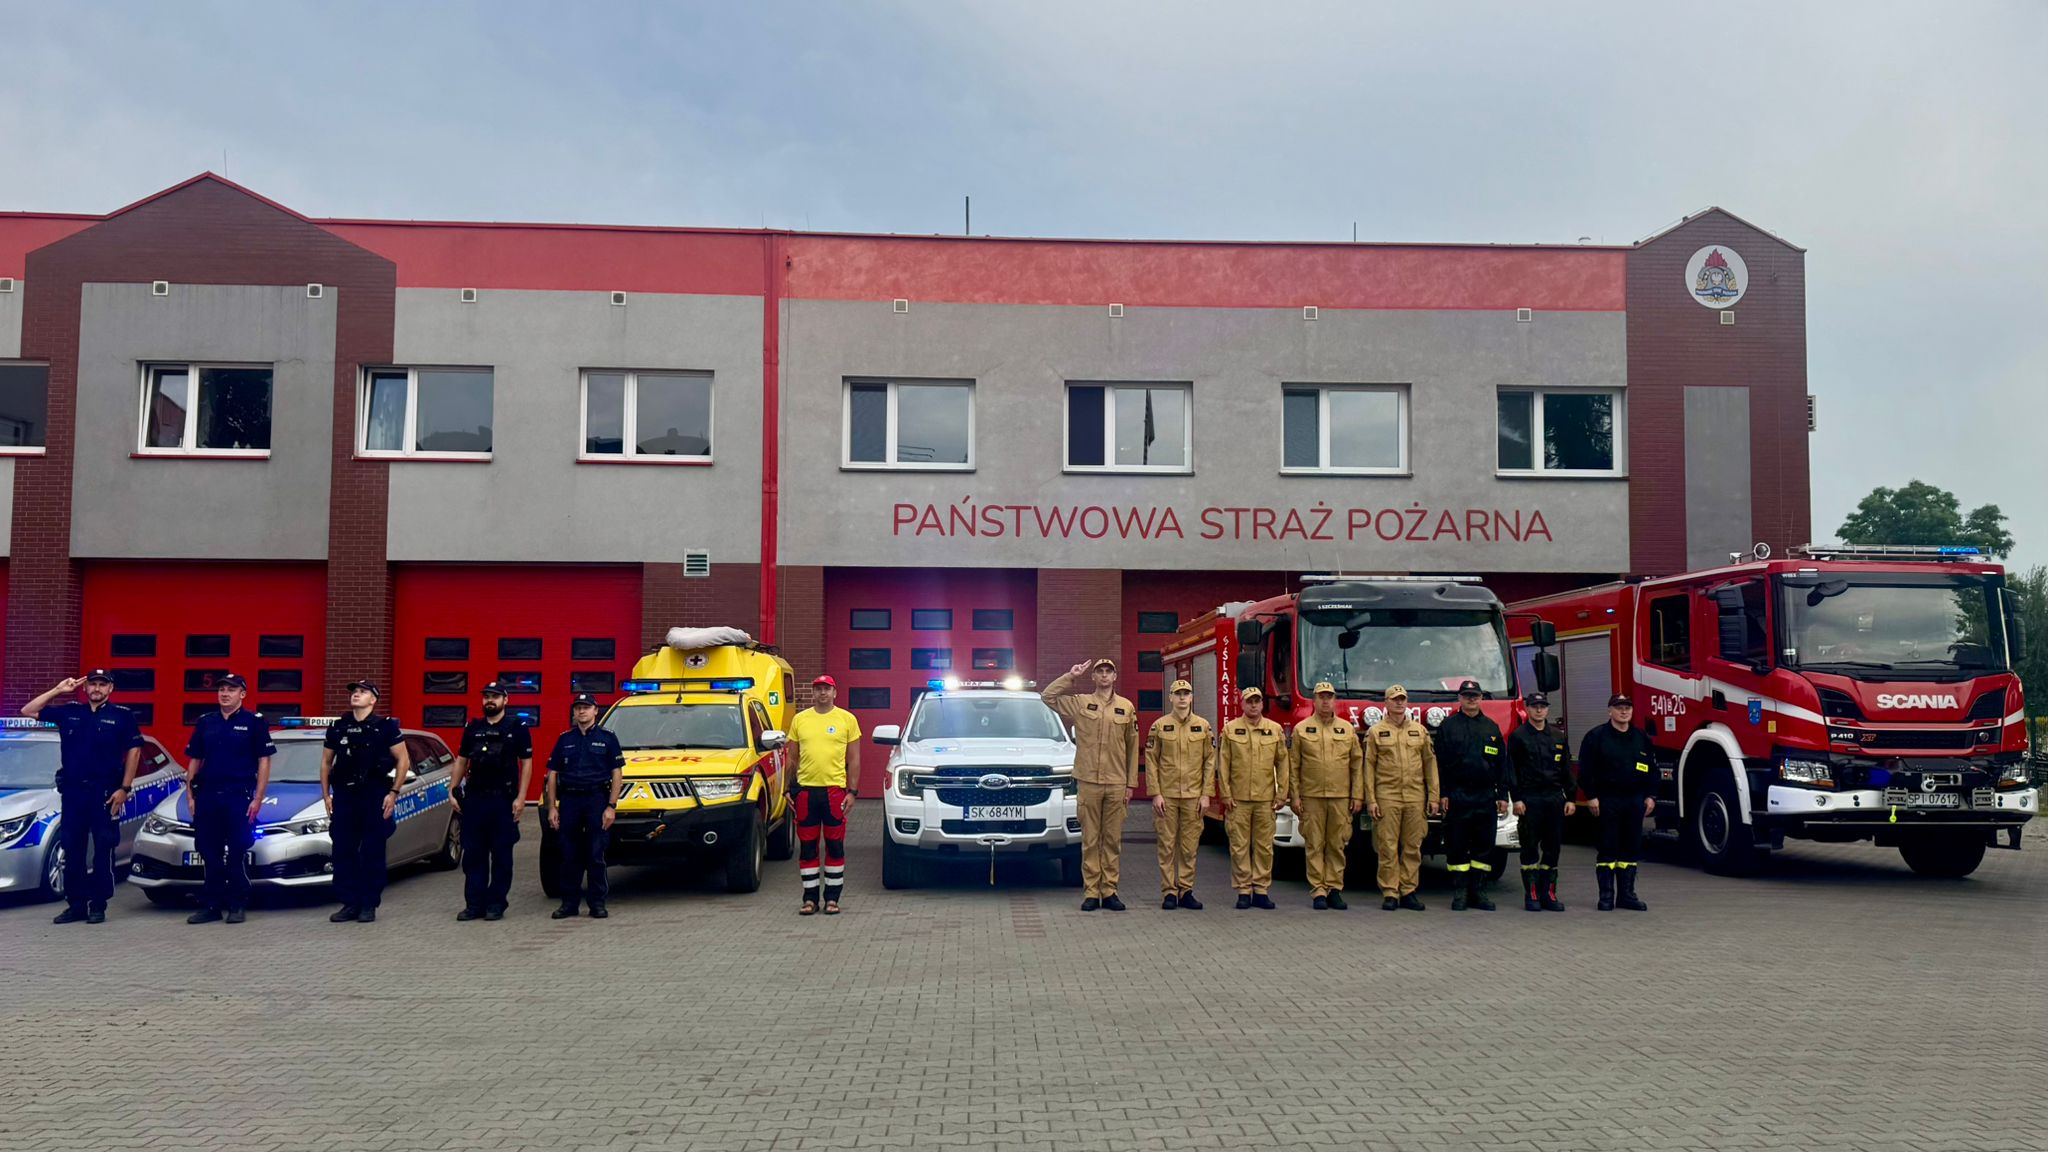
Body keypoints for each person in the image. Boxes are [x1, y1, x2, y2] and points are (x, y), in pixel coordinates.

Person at [22, 670, 144, 924]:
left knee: (103, 849)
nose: (97, 688)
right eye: (92, 684)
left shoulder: (121, 716)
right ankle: (76, 905)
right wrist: (58, 690)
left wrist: (124, 788)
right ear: (85, 688)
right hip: (74, 793)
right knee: (72, 849)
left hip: (105, 794)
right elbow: (28, 710)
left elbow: (134, 751)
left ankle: (98, 904)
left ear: (110, 689)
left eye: (102, 684)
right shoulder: (70, 712)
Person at [1041, 657, 1140, 912]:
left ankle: (1110, 891)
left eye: (1109, 671)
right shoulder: (1081, 703)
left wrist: (1131, 784)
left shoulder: (1126, 707)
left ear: (1115, 676)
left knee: (1112, 840)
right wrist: (1071, 676)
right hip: (1088, 782)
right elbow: (1048, 697)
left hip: (1116, 783)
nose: (1104, 675)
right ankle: (1092, 892)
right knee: (1090, 839)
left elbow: (1132, 748)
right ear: (1093, 677)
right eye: (1100, 672)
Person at [182, 674, 273, 925]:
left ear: (242, 694)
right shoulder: (206, 722)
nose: (225, 693)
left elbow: (264, 761)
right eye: (221, 689)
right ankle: (211, 905)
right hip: (208, 795)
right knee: (208, 851)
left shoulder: (254, 722)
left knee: (236, 852)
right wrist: (190, 795)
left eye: (231, 690)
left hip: (238, 796)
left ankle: (237, 903)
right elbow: (195, 760)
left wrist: (258, 797)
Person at [319, 681, 409, 925]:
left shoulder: (386, 727)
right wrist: (326, 795)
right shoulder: (338, 727)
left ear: (373, 700)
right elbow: (326, 762)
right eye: (354, 692)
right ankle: (349, 903)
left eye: (362, 692)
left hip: (373, 795)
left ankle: (369, 904)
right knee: (343, 851)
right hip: (345, 796)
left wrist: (393, 792)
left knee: (372, 852)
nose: (356, 695)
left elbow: (403, 760)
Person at [449, 682, 533, 921]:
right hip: (475, 800)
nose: (490, 700)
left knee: (501, 855)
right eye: (486, 696)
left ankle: (496, 904)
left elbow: (526, 764)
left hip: (503, 801)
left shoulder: (517, 728)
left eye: (495, 697)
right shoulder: (473, 728)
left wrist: (521, 797)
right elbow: (462, 760)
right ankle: (474, 905)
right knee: (473, 855)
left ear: (505, 700)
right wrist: (453, 790)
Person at [544, 694, 625, 919]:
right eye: (578, 708)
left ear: (595, 711)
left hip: (596, 800)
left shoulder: (608, 738)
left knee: (595, 854)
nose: (581, 711)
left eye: (586, 707)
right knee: (569, 854)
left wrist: (611, 806)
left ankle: (597, 903)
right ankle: (569, 904)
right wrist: (552, 807)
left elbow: (617, 774)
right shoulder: (564, 739)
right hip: (570, 800)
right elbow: (552, 774)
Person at [787, 674, 862, 916]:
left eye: (827, 689)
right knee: (808, 847)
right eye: (818, 689)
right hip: (806, 793)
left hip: (834, 792)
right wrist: (788, 789)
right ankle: (810, 900)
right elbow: (792, 758)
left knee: (835, 846)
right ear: (813, 692)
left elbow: (854, 759)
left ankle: (832, 899)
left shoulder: (847, 719)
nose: (822, 693)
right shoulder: (800, 720)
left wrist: (852, 792)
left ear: (834, 692)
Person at [1432, 679, 1509, 911]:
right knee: (1457, 844)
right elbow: (1440, 763)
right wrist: (1443, 793)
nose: (1471, 699)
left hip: (1485, 796)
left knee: (1484, 846)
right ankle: (1461, 892)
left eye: (1475, 695)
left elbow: (1501, 764)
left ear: (1481, 698)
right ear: (1460, 699)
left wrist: (1502, 795)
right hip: (1458, 795)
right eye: (1467, 695)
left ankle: (1479, 891)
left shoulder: (1491, 727)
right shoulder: (1448, 726)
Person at [1578, 694, 1656, 912]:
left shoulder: (1641, 737)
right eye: (1619, 707)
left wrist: (1651, 796)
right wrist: (1591, 796)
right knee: (1607, 847)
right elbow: (1585, 770)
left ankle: (1627, 895)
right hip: (1607, 800)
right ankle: (1606, 896)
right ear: (1609, 711)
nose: (1624, 711)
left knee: (1631, 848)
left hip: (1634, 800)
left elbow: (1652, 769)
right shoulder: (1596, 737)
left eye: (1627, 707)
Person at [1289, 681, 1362, 910]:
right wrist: (1295, 796)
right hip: (1312, 797)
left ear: (1334, 700)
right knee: (1314, 844)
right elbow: (1294, 766)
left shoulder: (1347, 729)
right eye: (1321, 697)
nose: (1325, 701)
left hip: (1340, 796)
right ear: (1314, 700)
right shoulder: (1302, 729)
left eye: (1329, 697)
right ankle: (1318, 891)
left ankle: (1334, 889)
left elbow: (1356, 765)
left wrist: (1357, 795)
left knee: (1336, 845)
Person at [1364, 685, 1438, 911]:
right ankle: (1390, 892)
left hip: (1415, 796)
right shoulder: (1376, 732)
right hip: (1387, 796)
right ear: (1386, 703)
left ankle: (1408, 890)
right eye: (1395, 699)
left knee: (1412, 846)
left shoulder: (1419, 731)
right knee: (1387, 846)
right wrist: (1371, 799)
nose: (1399, 703)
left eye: (1402, 699)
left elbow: (1430, 764)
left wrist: (1433, 796)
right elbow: (1368, 767)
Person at [1142, 679, 1214, 910]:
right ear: (1170, 697)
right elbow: (1151, 761)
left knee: (1189, 846)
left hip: (1193, 796)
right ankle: (1169, 892)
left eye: (1186, 693)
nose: (1182, 698)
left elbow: (1210, 762)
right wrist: (1155, 793)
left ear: (1192, 697)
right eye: (1178, 693)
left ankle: (1186, 890)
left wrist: (1206, 794)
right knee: (1167, 845)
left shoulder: (1203, 726)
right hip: (1168, 796)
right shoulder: (1159, 726)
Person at [1217, 686, 1288, 910]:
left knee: (1264, 847)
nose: (1254, 705)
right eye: (1249, 701)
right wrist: (1225, 793)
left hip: (1265, 799)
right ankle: (1243, 891)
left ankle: (1261, 890)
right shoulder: (1230, 730)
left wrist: (1282, 793)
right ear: (1242, 704)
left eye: (1257, 701)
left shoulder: (1274, 730)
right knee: (1239, 847)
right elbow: (1223, 764)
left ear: (1262, 704)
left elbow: (1283, 764)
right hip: (1238, 800)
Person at [1506, 692, 1573, 912]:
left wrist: (1571, 798)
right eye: (1534, 706)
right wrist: (1517, 798)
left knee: (1553, 847)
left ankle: (1549, 894)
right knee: (1529, 848)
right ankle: (1532, 894)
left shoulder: (1557, 736)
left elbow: (1566, 769)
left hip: (1554, 798)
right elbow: (1512, 770)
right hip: (1530, 798)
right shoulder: (1518, 736)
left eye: (1542, 706)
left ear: (1547, 709)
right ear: (1528, 708)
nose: (1539, 710)